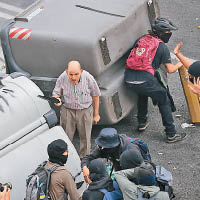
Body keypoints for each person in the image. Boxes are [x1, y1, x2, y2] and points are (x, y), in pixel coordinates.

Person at [124, 17, 186, 143]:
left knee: (143, 93)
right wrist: (180, 63)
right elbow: (170, 69)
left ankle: (142, 123)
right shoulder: (162, 47)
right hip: (145, 79)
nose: (170, 34)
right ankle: (171, 134)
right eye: (168, 31)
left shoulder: (142, 38)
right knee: (163, 98)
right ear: (161, 33)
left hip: (129, 78)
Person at [52, 60, 101, 158]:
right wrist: (56, 100)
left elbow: (96, 95)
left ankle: (85, 160)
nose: (73, 77)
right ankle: (65, 158)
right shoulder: (62, 78)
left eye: (76, 74)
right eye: (70, 74)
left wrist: (96, 114)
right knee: (65, 136)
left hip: (85, 110)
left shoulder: (88, 78)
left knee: (85, 138)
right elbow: (56, 93)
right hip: (67, 110)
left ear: (81, 71)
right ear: (67, 72)